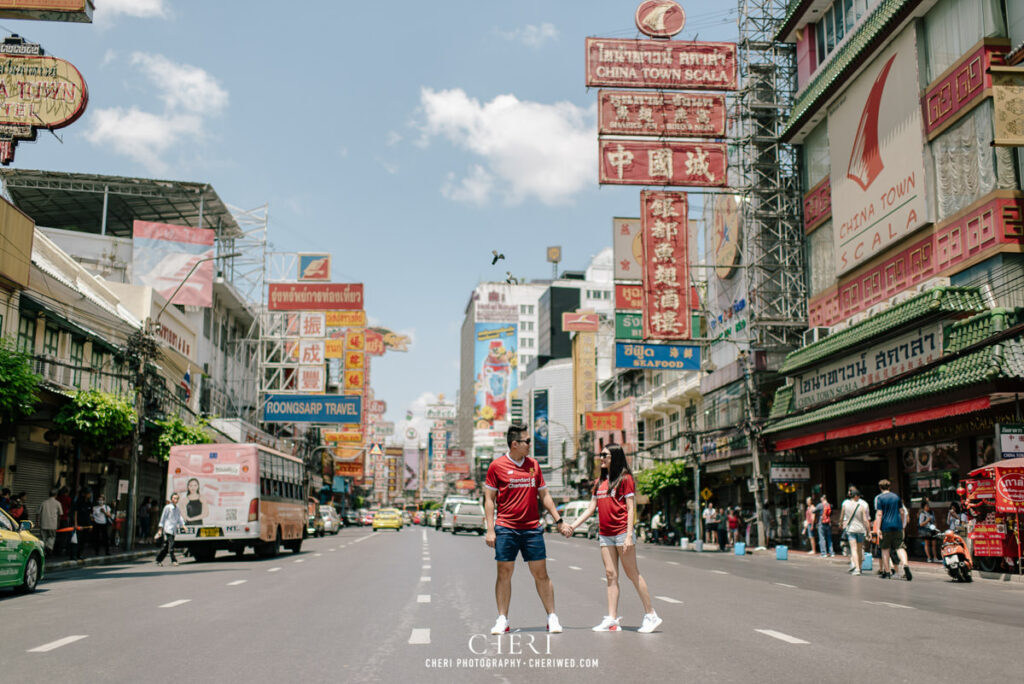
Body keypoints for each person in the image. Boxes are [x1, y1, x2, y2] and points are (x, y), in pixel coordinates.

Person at [565, 444, 661, 633]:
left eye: (605, 455)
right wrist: (572, 527)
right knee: (610, 575)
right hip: (605, 534)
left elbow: (631, 508)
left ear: (615, 457)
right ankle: (612, 619)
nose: (601, 458)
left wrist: (629, 536)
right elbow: (591, 508)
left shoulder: (625, 479)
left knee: (632, 574)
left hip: (620, 533)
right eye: (601, 455)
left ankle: (651, 615)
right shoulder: (598, 483)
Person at [483, 422, 563, 635]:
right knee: (504, 573)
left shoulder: (534, 465)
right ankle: (502, 619)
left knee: (541, 573)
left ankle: (552, 616)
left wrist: (559, 520)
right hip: (506, 528)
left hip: (531, 529)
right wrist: (490, 529)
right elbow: (489, 500)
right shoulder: (496, 466)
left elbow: (544, 495)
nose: (530, 444)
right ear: (515, 443)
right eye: (527, 441)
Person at [874, 479, 911, 581]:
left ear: (880, 488)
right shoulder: (896, 497)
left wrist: (878, 529)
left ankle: (887, 571)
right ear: (889, 487)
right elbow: (902, 512)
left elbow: (879, 514)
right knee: (900, 547)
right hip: (897, 526)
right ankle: (906, 564)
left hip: (885, 527)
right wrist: (902, 525)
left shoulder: (880, 498)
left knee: (885, 549)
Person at [840, 487, 870, 576]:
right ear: (856, 496)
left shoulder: (845, 505)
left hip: (851, 530)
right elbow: (865, 520)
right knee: (860, 549)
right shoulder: (861, 506)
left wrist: (841, 523)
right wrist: (868, 531)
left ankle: (856, 568)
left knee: (853, 549)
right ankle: (859, 568)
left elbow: (842, 517)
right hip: (860, 530)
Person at [155, 493, 186, 566]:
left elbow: (179, 518)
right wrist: (160, 529)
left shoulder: (177, 509)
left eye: (177, 498)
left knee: (166, 547)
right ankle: (174, 560)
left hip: (173, 529)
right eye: (174, 498)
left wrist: (183, 525)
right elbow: (163, 518)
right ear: (171, 499)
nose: (176, 500)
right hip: (168, 529)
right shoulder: (167, 507)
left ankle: (158, 560)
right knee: (171, 545)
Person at [38, 488, 63, 555]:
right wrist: (58, 523)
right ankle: (49, 547)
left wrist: (38, 522)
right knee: (52, 537)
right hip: (53, 525)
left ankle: (44, 551)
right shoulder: (58, 503)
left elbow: (38, 513)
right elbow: (60, 515)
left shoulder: (43, 503)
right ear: (56, 495)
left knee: (43, 538)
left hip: (43, 524)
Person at [70, 489, 92, 560]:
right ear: (85, 494)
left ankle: (80, 554)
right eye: (88, 493)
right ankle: (73, 555)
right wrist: (75, 523)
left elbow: (89, 515)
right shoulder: (79, 502)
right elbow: (75, 513)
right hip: (79, 524)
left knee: (83, 540)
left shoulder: (89, 503)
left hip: (86, 525)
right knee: (76, 540)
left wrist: (90, 525)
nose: (90, 495)